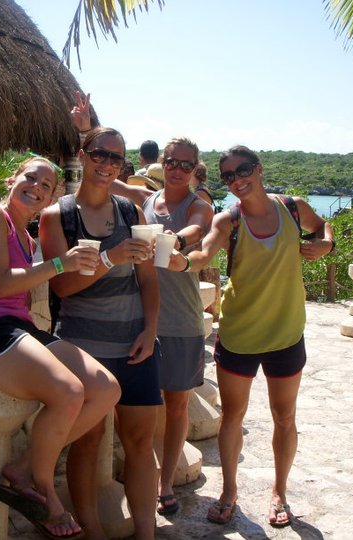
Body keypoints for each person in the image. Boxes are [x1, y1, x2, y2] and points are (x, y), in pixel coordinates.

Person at [0, 156, 120, 539]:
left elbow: (18, 294)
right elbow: (0, 286)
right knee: (69, 392)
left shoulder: (27, 239)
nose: (36, 187)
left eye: (46, 185)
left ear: (50, 198)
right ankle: (43, 488)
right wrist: (61, 263)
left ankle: (23, 468)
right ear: (12, 180)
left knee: (106, 388)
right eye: (30, 178)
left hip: (14, 329)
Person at [167, 145, 334, 528]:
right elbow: (204, 254)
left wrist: (326, 243)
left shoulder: (293, 208)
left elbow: (323, 226)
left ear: (258, 169)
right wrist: (182, 262)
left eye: (242, 170)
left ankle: (280, 493)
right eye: (228, 176)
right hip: (239, 334)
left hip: (286, 332)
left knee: (284, 417)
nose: (236, 180)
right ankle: (229, 492)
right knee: (232, 418)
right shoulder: (229, 220)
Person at [39, 127, 161, 540]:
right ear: (83, 154)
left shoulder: (131, 213)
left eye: (116, 158)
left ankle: (147, 534)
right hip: (83, 346)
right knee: (88, 443)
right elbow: (62, 286)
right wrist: (109, 258)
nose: (107, 164)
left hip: (135, 344)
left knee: (140, 442)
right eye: (99, 154)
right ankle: (91, 532)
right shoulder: (57, 216)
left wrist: (151, 329)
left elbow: (148, 279)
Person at [109, 137, 214, 517]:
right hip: (140, 320)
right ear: (163, 163)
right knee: (135, 405)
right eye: (172, 162)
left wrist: (177, 239)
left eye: (186, 165)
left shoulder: (199, 205)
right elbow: (105, 177)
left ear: (195, 169)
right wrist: (83, 133)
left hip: (182, 322)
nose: (177, 169)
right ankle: (141, 471)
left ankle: (165, 482)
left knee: (177, 405)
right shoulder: (146, 201)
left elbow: (197, 228)